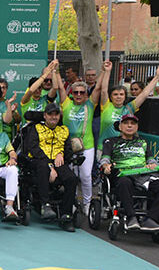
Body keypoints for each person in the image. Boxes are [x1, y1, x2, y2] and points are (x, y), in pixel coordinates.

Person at [100, 114, 159, 231]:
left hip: (143, 175)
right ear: (120, 127)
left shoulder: (143, 142)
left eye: (133, 123)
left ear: (137, 127)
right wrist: (106, 166)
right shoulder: (111, 141)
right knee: (125, 182)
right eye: (126, 123)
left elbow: (150, 159)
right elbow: (105, 159)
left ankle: (151, 219)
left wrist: (152, 165)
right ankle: (131, 218)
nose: (129, 126)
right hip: (122, 174)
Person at [24, 103, 78, 231]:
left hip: (58, 161)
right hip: (39, 160)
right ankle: (45, 204)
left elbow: (69, 150)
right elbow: (33, 148)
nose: (53, 117)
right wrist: (50, 165)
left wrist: (61, 154)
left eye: (56, 114)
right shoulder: (36, 128)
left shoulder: (64, 130)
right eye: (50, 114)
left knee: (72, 179)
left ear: (59, 116)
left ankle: (66, 214)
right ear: (45, 116)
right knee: (43, 167)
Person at [55, 71, 103, 214]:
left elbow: (99, 88)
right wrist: (56, 72)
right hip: (68, 147)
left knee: (86, 175)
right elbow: (60, 89)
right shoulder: (67, 104)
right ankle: (74, 200)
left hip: (86, 146)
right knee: (72, 176)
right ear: (72, 93)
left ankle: (87, 203)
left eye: (82, 92)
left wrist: (105, 71)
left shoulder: (90, 105)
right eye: (75, 92)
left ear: (86, 94)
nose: (78, 95)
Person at [98, 63, 159, 147]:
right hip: (104, 148)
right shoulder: (106, 106)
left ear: (125, 97)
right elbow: (103, 90)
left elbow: (144, 94)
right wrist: (107, 71)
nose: (118, 97)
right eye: (115, 94)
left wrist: (157, 77)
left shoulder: (129, 108)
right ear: (110, 97)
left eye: (121, 94)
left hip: (123, 149)